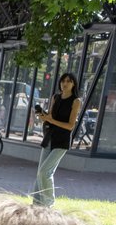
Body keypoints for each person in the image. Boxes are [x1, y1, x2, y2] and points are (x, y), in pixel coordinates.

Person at [33, 72, 82, 206]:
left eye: (68, 81)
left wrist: (51, 120)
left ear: (73, 84)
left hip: (61, 141)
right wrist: (44, 117)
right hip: (49, 137)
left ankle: (49, 205)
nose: (65, 84)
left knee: (45, 172)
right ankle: (36, 206)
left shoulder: (76, 101)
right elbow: (50, 117)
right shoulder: (56, 97)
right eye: (63, 81)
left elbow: (70, 126)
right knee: (40, 174)